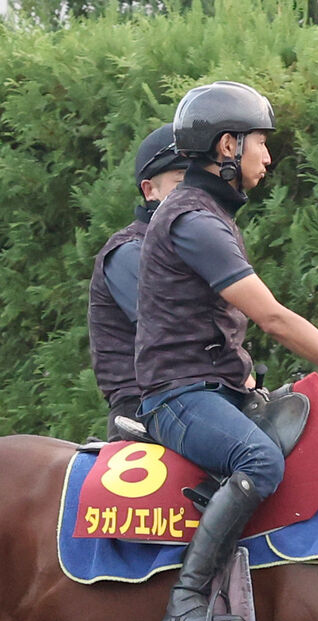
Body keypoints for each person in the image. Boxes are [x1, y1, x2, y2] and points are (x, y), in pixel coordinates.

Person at [134, 80, 318, 621]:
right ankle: (185, 602)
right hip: (178, 398)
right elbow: (274, 319)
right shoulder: (194, 221)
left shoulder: (208, 213)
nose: (268, 157)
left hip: (215, 390)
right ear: (228, 146)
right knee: (260, 460)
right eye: (261, 143)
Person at [88, 124, 189, 440]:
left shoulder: (199, 248)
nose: (195, 194)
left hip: (200, 399)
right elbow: (179, 337)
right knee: (253, 458)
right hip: (146, 410)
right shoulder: (130, 252)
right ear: (150, 191)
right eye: (182, 182)